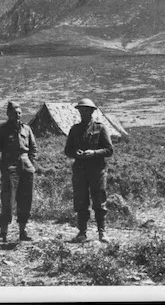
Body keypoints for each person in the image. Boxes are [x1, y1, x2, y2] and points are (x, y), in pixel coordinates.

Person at [64, 98, 114, 243]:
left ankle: (102, 232)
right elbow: (68, 150)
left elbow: (109, 150)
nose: (84, 113)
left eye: (87, 110)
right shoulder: (75, 129)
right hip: (80, 170)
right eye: (81, 110)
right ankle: (82, 232)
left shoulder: (101, 128)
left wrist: (93, 153)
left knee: (99, 201)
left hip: (97, 171)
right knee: (81, 201)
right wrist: (76, 153)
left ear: (92, 112)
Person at [0, 101, 37, 242]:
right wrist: (2, 167)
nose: (18, 115)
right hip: (10, 169)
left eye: (20, 113)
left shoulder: (27, 129)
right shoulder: (1, 130)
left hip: (26, 169)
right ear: (8, 114)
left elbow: (33, 148)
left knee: (26, 200)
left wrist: (30, 163)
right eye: (15, 113)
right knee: (7, 201)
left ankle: (23, 231)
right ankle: (3, 232)